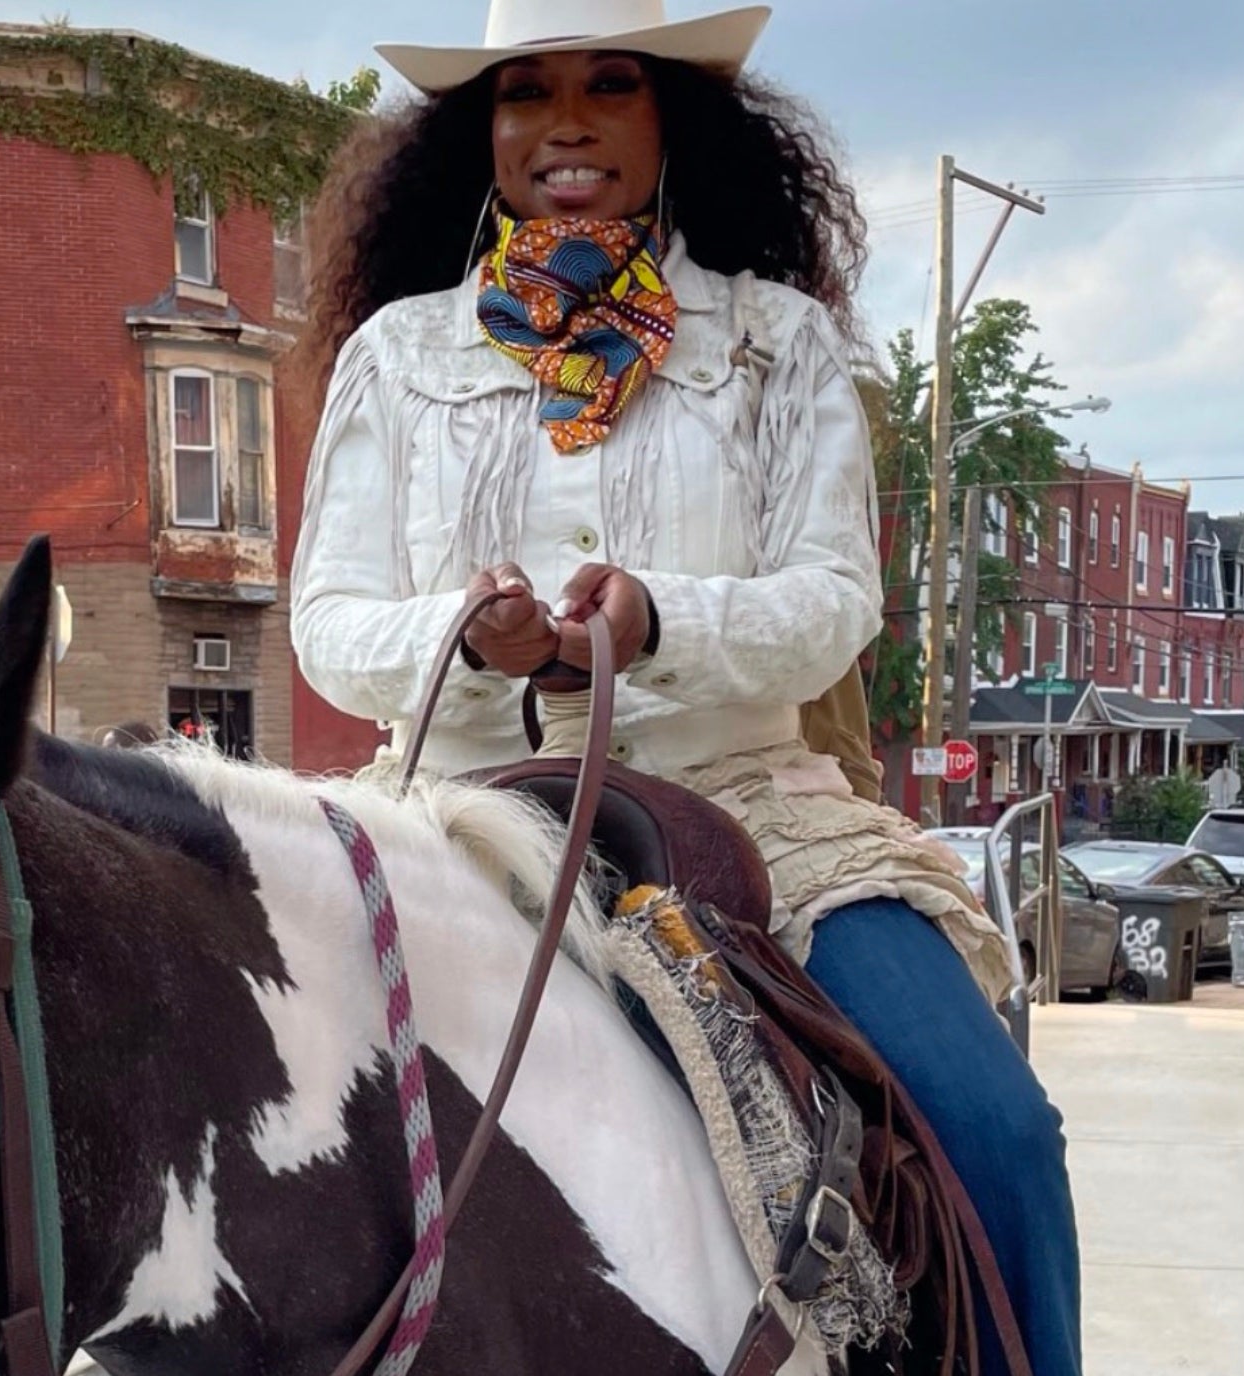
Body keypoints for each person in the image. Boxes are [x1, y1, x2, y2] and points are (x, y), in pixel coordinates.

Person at [289, 5, 1082, 1371]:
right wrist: (462, 633)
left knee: (993, 1124)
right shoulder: (399, 357)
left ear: (674, 121)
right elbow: (328, 621)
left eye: (613, 85)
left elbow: (832, 605)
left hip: (744, 810)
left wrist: (658, 620)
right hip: (451, 804)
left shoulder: (777, 343)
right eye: (524, 93)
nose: (568, 123)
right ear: (480, 134)